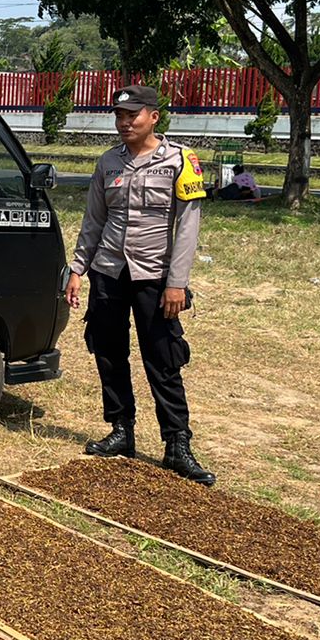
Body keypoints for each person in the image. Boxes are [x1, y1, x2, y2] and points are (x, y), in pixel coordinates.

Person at [65, 84, 214, 485]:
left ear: (154, 116)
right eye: (119, 115)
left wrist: (176, 283)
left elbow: (187, 227)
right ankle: (120, 431)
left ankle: (177, 444)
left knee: (163, 361)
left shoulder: (180, 160)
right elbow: (94, 220)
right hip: (109, 272)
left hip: (155, 278)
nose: (125, 122)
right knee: (108, 354)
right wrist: (78, 269)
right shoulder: (108, 163)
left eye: (133, 115)